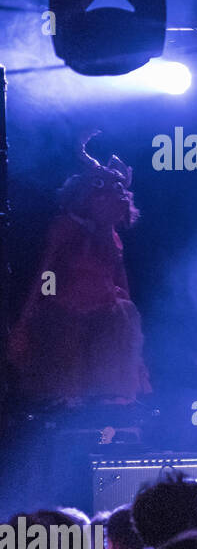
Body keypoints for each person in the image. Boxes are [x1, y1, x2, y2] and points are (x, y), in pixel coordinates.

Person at [7, 132, 150, 404]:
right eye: (109, 192)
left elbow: (121, 280)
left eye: (119, 192)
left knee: (117, 333)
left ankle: (106, 412)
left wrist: (134, 344)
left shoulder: (112, 237)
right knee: (68, 371)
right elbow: (47, 271)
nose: (116, 197)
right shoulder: (67, 227)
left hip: (106, 312)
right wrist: (40, 305)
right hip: (67, 310)